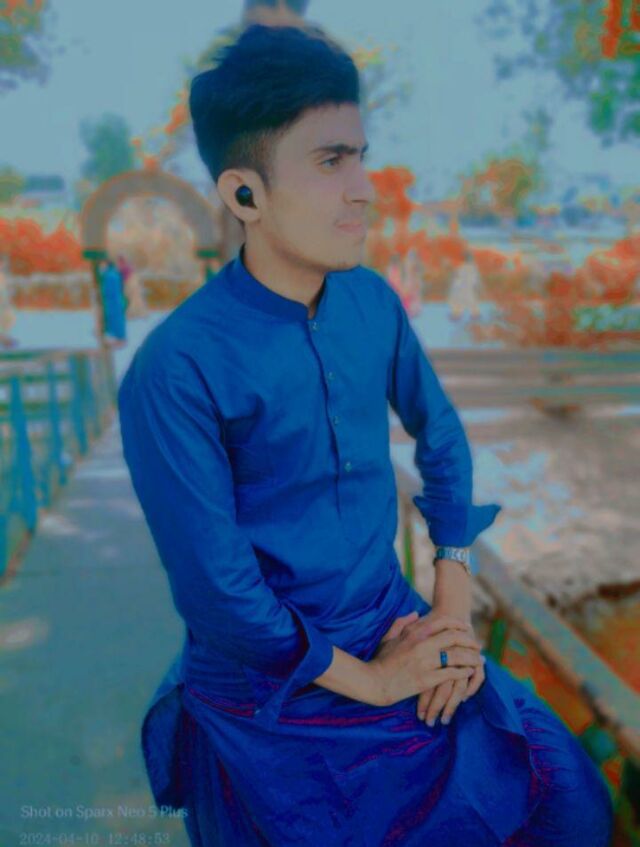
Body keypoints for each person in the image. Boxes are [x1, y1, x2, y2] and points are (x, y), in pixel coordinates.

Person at [117, 24, 614, 847]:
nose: (363, 191)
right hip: (276, 686)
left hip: (395, 620)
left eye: (360, 157)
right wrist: (377, 682)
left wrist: (449, 606)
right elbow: (223, 594)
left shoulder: (370, 303)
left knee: (570, 806)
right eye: (330, 162)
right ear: (245, 195)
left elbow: (440, 436)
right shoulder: (176, 370)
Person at [448, 248, 482, 322]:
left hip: (464, 288)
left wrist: (456, 285)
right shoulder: (471, 268)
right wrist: (477, 287)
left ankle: (458, 314)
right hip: (468, 288)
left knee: (461, 300)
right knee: (469, 300)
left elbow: (457, 279)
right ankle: (473, 314)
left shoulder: (462, 268)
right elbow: (476, 280)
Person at [98, 257, 127, 346]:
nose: (101, 267)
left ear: (107, 265)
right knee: (116, 320)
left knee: (116, 321)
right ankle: (119, 339)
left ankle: (120, 340)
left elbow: (108, 290)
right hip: (115, 301)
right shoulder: (112, 273)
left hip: (113, 301)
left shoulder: (110, 275)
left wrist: (102, 293)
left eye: (102, 265)